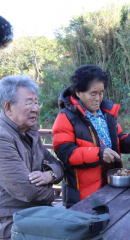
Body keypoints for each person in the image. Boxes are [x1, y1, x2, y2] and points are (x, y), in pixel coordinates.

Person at [52, 65, 130, 208]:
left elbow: (119, 139)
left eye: (101, 93)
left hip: (110, 184)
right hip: (83, 192)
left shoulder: (107, 114)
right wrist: (99, 154)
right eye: (93, 94)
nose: (98, 99)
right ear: (78, 93)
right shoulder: (66, 117)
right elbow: (66, 153)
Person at [0, 75, 64, 240]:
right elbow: (29, 192)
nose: (35, 108)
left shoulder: (29, 132)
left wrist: (48, 174)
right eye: (29, 103)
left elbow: (58, 164)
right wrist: (51, 190)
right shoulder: (2, 138)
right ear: (8, 107)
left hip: (37, 214)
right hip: (12, 223)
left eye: (36, 102)